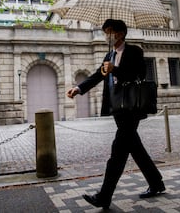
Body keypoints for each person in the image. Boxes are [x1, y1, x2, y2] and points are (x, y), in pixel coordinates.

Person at [66, 19, 165, 210]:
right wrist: (78, 89)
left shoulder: (135, 51)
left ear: (119, 33)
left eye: (108, 31)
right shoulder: (109, 54)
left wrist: (116, 70)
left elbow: (140, 75)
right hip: (117, 109)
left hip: (132, 108)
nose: (106, 35)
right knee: (135, 148)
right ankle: (156, 183)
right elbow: (97, 76)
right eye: (105, 32)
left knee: (117, 153)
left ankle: (104, 196)